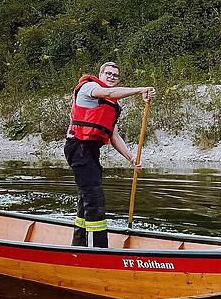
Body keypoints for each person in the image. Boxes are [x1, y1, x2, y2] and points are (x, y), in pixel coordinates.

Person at [64, 61, 156, 247]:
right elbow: (108, 92)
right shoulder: (90, 87)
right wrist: (140, 90)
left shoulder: (111, 105)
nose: (112, 77)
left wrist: (131, 158)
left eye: (116, 75)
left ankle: (79, 244)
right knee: (95, 200)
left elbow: (114, 137)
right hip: (78, 147)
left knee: (87, 197)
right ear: (100, 75)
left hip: (90, 151)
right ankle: (97, 250)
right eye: (109, 73)